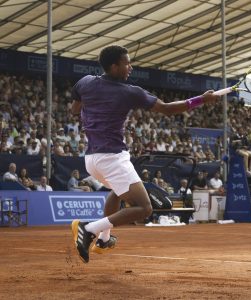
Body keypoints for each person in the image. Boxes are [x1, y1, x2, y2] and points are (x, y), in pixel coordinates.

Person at [70, 45, 219, 263]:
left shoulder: (84, 82)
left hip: (92, 160)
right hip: (112, 158)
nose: (130, 67)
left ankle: (103, 239)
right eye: (126, 63)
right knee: (144, 208)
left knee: (117, 192)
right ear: (114, 67)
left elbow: (75, 110)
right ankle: (89, 228)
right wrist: (201, 100)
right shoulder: (130, 92)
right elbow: (167, 108)